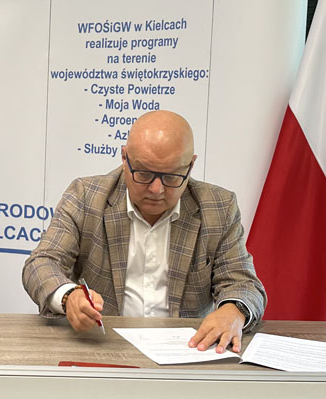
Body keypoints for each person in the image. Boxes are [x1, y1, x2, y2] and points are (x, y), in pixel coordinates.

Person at [22, 110, 265, 353]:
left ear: (190, 165)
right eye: (144, 174)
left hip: (187, 351)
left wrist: (233, 311)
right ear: (124, 158)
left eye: (172, 177)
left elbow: (243, 283)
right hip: (103, 347)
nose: (156, 189)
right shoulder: (86, 197)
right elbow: (42, 263)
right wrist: (69, 296)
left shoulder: (218, 207)